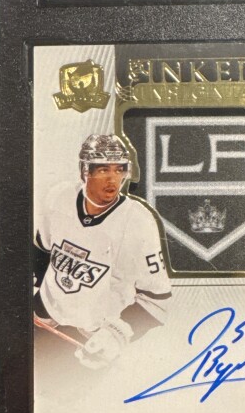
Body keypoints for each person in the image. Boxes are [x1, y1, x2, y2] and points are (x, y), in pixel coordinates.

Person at [33, 134, 171, 369]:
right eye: (103, 169)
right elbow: (42, 251)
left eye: (119, 169)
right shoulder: (60, 196)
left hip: (94, 338)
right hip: (43, 318)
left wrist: (117, 334)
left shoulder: (138, 221)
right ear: (84, 171)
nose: (112, 179)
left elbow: (157, 301)